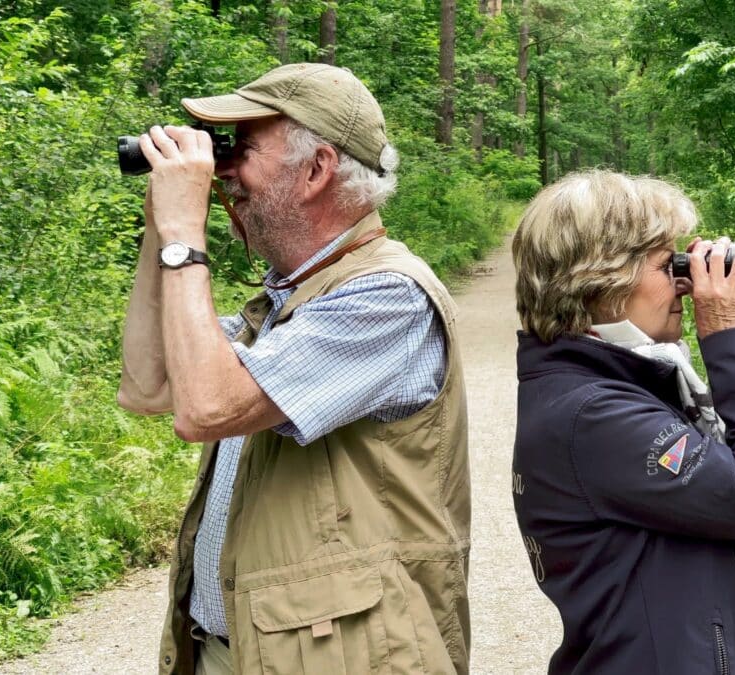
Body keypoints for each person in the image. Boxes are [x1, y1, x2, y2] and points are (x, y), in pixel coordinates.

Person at [117, 63, 471, 675]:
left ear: (317, 168)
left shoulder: (387, 296)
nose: (222, 169)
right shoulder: (286, 301)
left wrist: (185, 232)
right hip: (235, 648)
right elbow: (149, 387)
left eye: (241, 147)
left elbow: (207, 407)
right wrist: (160, 227)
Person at [510, 170, 735, 674]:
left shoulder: (610, 384)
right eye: (668, 265)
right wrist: (728, 336)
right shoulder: (594, 416)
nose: (686, 283)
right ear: (600, 278)